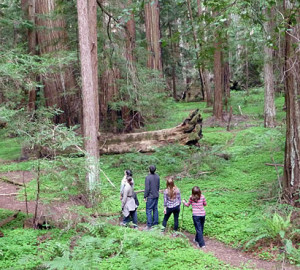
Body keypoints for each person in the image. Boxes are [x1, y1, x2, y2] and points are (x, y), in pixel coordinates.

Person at [144, 165, 160, 230]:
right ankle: (155, 223)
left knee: (149, 210)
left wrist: (145, 196)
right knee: (155, 209)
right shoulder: (157, 177)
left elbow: (147, 188)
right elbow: (158, 186)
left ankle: (149, 225)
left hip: (150, 196)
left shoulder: (148, 178)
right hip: (156, 195)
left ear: (149, 170)